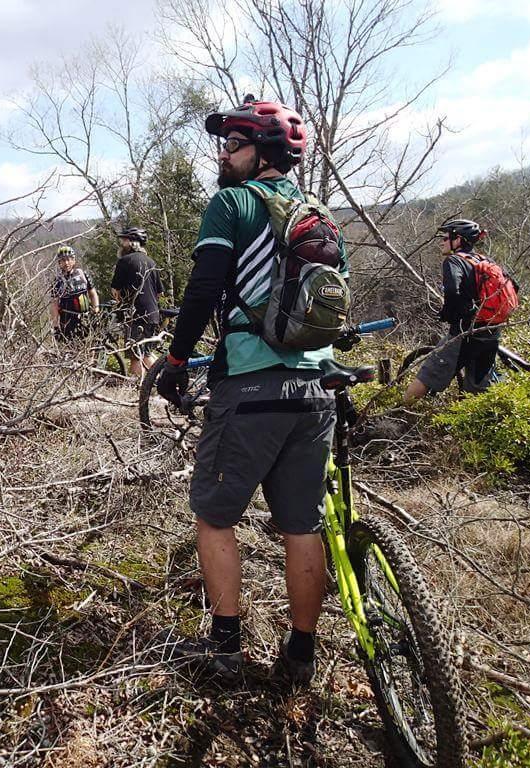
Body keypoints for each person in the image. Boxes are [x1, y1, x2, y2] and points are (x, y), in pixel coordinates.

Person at [155, 98, 349, 685]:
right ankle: (301, 654)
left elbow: (204, 284)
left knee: (214, 518)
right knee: (302, 525)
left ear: (261, 151)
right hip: (315, 389)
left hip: (251, 387)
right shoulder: (319, 213)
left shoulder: (230, 203)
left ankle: (225, 648)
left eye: (234, 143)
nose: (223, 152)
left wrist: (177, 357)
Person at [403, 219, 508, 404]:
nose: (441, 242)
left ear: (458, 240)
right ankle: (476, 428)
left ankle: (396, 418)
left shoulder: (454, 261)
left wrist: (449, 312)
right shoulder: (485, 261)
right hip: (491, 332)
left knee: (427, 376)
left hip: (465, 333)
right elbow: (513, 286)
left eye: (445, 237)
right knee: (478, 388)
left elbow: (452, 290)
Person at [110, 226, 164, 377]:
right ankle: (163, 380)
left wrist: (121, 304)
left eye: (125, 240)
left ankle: (139, 388)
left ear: (133, 242)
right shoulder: (151, 262)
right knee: (145, 353)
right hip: (153, 314)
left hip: (136, 316)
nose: (122, 243)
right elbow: (159, 293)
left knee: (135, 356)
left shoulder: (124, 261)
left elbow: (115, 291)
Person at [50, 245, 99, 342]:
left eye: (69, 259)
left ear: (74, 260)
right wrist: (55, 325)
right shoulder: (57, 281)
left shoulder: (83, 274)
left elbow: (92, 293)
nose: (66, 263)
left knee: (90, 346)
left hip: (86, 317)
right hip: (67, 321)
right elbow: (54, 303)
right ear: (59, 263)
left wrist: (96, 310)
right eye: (63, 260)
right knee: (70, 350)